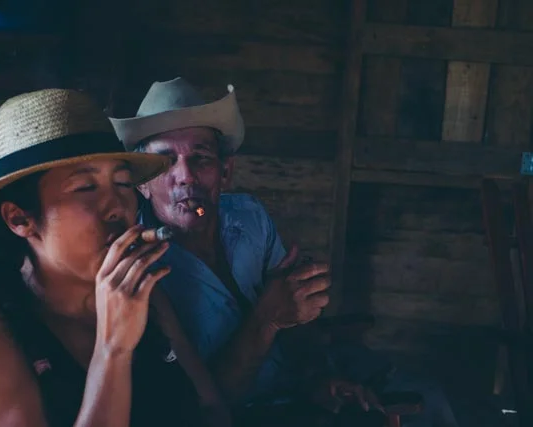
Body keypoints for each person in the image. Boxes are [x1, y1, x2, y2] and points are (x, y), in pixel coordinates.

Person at [109, 78, 460, 427]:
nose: (185, 176)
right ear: (142, 182)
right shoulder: (140, 266)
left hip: (299, 387)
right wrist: (267, 317)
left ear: (226, 171)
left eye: (201, 159)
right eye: (165, 161)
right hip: (243, 415)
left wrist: (318, 377)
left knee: (430, 400)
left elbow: (297, 325)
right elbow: (204, 406)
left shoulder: (248, 216)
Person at [0, 88, 231, 427]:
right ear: (19, 219)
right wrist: (113, 349)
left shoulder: (142, 297)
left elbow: (213, 410)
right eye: (85, 188)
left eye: (123, 184)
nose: (117, 207)